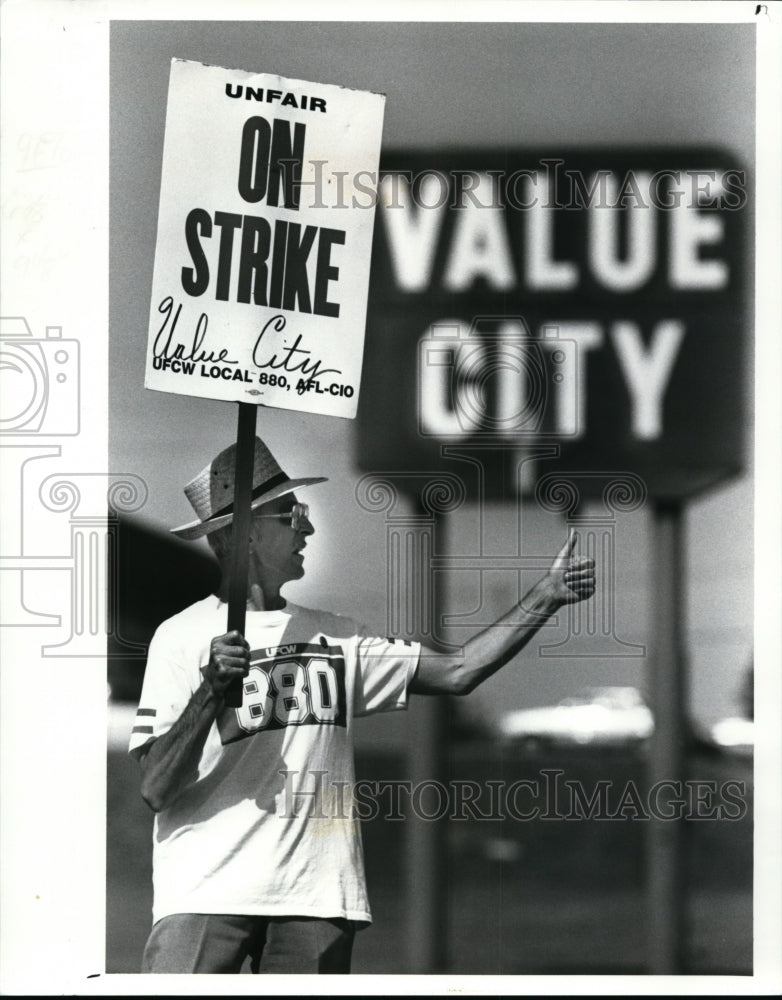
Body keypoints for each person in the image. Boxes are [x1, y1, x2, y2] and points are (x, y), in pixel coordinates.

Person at [129, 436, 595, 974]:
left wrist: (545, 597)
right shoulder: (181, 636)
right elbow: (156, 788)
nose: (306, 526)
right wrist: (210, 691)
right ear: (246, 533)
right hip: (203, 893)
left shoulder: (340, 638)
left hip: (316, 899)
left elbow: (460, 670)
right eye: (291, 514)